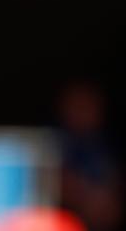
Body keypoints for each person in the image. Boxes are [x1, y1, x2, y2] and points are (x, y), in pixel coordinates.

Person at [54, 79, 123, 231]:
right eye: (77, 105)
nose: (82, 112)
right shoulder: (55, 143)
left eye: (87, 106)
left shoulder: (104, 146)